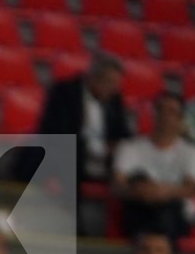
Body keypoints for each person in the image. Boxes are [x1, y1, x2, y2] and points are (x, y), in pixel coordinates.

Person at [112, 92, 195, 245]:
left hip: (175, 212)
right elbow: (117, 185)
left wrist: (161, 192)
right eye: (160, 110)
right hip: (139, 207)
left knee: (167, 211)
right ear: (154, 113)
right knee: (141, 186)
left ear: (180, 118)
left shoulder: (192, 152)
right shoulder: (129, 147)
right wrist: (141, 191)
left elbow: (191, 188)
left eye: (172, 112)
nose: (165, 116)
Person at [28, 55, 130, 185]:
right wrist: (100, 148)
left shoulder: (114, 98)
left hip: (103, 162)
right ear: (94, 77)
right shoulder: (64, 92)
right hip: (70, 158)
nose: (114, 89)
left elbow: (123, 132)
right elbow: (58, 134)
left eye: (116, 84)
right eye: (110, 82)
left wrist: (122, 145)